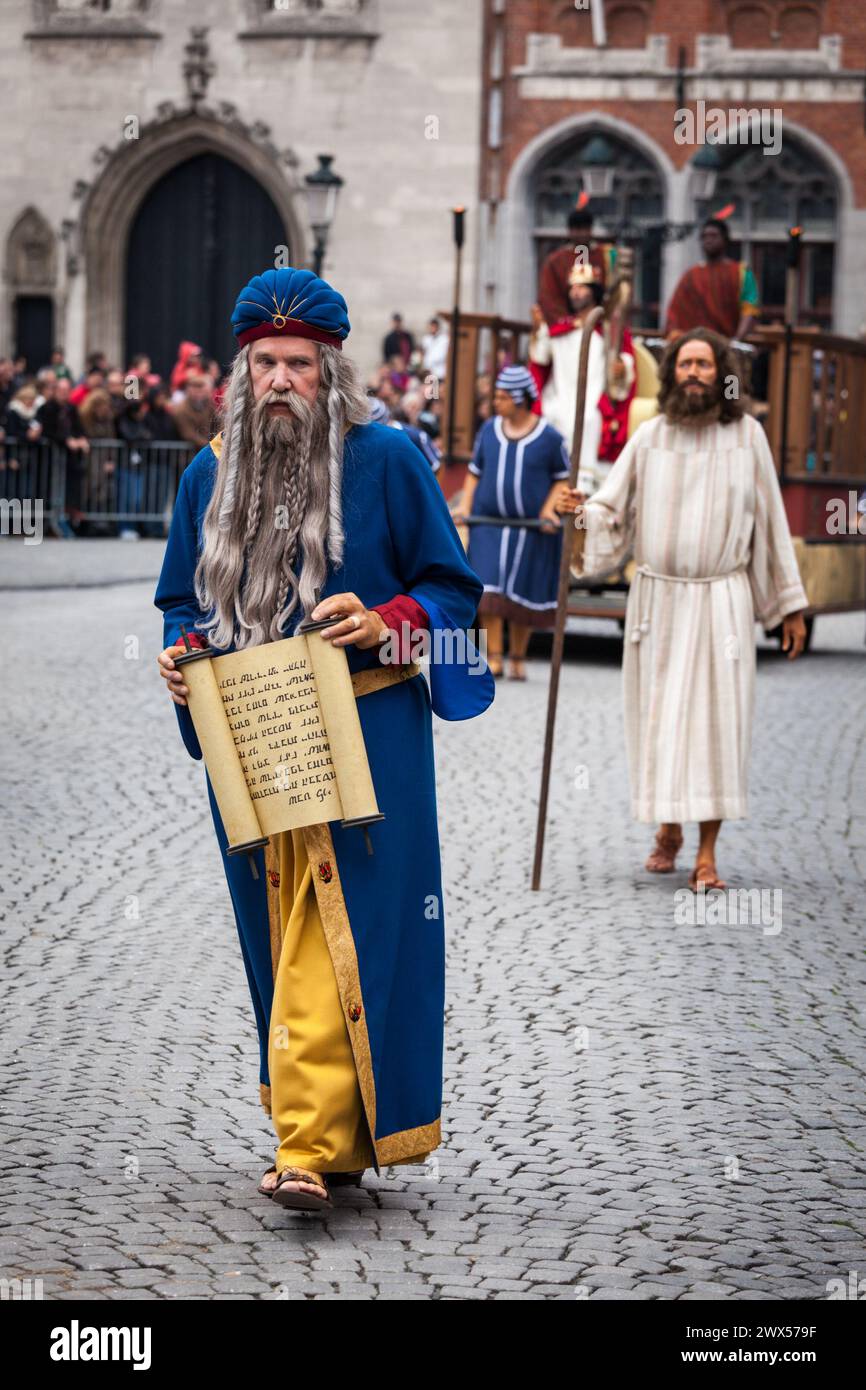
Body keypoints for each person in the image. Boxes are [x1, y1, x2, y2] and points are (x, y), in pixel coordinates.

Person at [154, 264, 493, 1210]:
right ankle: (322, 1135)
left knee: (353, 923)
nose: (279, 381)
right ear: (242, 368)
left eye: (298, 363)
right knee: (279, 925)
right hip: (254, 729)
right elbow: (184, 600)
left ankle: (305, 1147)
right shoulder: (206, 473)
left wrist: (386, 619)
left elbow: (454, 595)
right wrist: (182, 656)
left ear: (331, 370)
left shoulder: (389, 459)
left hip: (368, 722)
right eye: (264, 362)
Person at [560, 328, 808, 890]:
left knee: (718, 722)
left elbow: (771, 523)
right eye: (685, 364)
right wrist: (579, 513)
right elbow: (611, 509)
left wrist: (788, 605)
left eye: (704, 364)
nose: (694, 373)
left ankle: (706, 853)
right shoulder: (650, 437)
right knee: (663, 719)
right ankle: (667, 827)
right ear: (671, 374)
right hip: (660, 601)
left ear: (722, 374)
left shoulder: (747, 437)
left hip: (722, 599)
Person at [453, 365, 573, 680]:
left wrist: (549, 510)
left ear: (521, 399)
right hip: (489, 525)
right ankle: (494, 657)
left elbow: (562, 480)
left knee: (522, 596)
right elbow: (475, 473)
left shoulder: (549, 437)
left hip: (531, 530)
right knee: (489, 592)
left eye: (503, 397)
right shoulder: (489, 431)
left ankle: (518, 657)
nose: (496, 401)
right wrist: (465, 507)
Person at [529, 262, 634, 493]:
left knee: (589, 420)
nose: (576, 292)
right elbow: (541, 358)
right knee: (550, 415)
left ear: (594, 291)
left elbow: (625, 361)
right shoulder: (560, 328)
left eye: (582, 287)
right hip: (560, 392)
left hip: (593, 395)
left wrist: (621, 368)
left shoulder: (608, 330)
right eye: (573, 287)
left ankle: (585, 490)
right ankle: (553, 485)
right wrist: (538, 330)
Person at [665, 218, 759, 341]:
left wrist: (737, 340)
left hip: (727, 347)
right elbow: (675, 313)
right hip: (694, 347)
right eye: (704, 237)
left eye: (713, 236)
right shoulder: (691, 275)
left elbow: (749, 310)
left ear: (725, 240)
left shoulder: (740, 272)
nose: (708, 240)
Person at [537, 201, 611, 327]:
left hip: (599, 324)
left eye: (585, 229)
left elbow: (611, 294)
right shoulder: (555, 261)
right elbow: (549, 298)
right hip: (565, 326)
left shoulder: (605, 256)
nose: (581, 234)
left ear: (591, 230)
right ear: (570, 231)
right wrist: (570, 323)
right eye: (577, 229)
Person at [36, 376, 90, 535]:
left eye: (67, 390)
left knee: (69, 492)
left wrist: (82, 439)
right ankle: (47, 523)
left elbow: (79, 428)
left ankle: (65, 520)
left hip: (69, 461)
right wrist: (67, 440)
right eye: (60, 390)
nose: (63, 394)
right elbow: (47, 431)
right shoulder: (46, 408)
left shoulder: (72, 409)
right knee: (49, 491)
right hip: (49, 459)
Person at [172, 373, 214, 450]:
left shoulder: (209, 405)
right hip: (186, 453)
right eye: (195, 390)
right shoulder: (181, 409)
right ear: (188, 390)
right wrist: (210, 446)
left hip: (205, 450)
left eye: (200, 390)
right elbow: (188, 434)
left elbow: (219, 422)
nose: (198, 393)